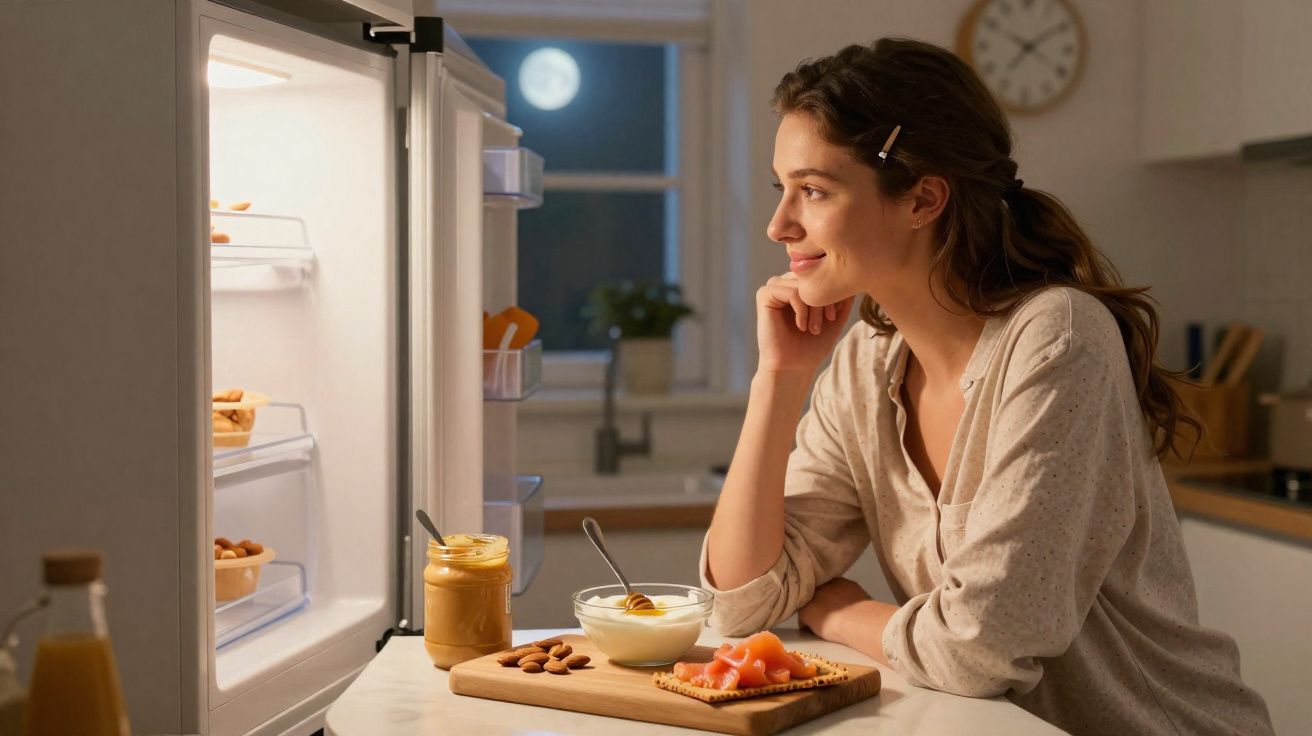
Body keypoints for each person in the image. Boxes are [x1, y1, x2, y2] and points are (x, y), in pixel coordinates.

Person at [701, 38, 1274, 736]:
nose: (779, 224)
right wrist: (780, 379)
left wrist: (840, 610)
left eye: (814, 191)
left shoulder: (1057, 339)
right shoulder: (865, 363)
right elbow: (739, 604)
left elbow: (978, 651)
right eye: (781, 189)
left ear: (923, 198)